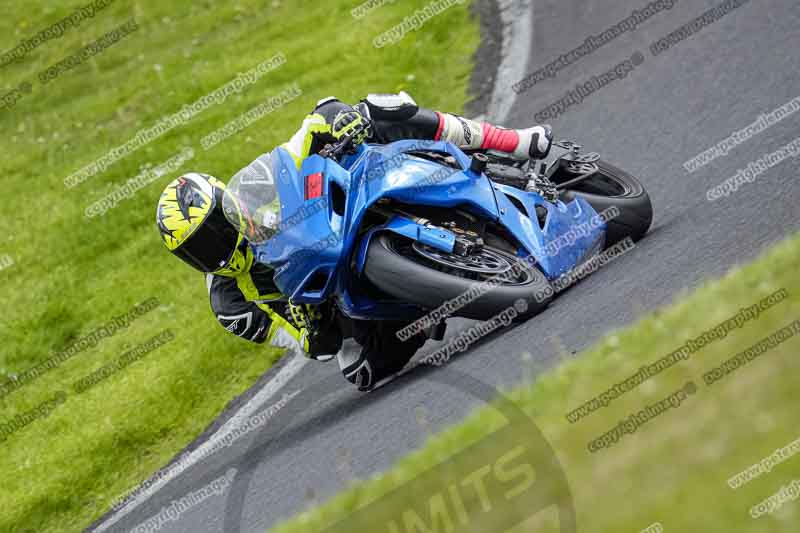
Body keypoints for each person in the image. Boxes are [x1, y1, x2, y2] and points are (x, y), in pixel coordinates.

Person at [155, 92, 553, 391]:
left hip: (338, 221)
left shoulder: (256, 190)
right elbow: (310, 345)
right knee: (360, 370)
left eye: (215, 229)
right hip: (340, 307)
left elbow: (308, 132)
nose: (216, 248)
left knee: (381, 109)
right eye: (198, 250)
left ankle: (510, 140)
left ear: (226, 202)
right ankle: (430, 294)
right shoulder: (231, 306)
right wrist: (308, 325)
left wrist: (337, 118)